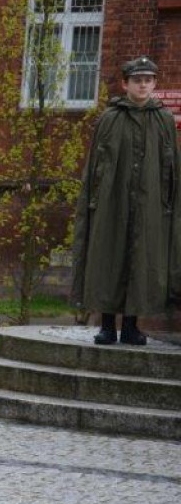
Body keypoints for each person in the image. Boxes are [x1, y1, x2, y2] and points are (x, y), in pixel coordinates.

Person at [72, 55, 181, 345]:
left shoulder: (164, 120)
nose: (143, 85)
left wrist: (166, 201)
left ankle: (132, 326)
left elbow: (171, 166)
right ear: (125, 83)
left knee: (141, 259)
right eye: (137, 80)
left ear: (155, 83)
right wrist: (96, 199)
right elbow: (96, 164)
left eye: (148, 80)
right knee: (110, 255)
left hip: (150, 202)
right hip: (112, 200)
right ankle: (107, 325)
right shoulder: (110, 118)